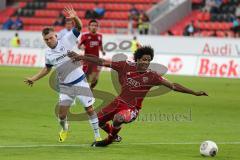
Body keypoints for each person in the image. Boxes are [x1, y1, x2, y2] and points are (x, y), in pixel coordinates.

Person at [67, 46, 208, 147]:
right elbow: (102, 62)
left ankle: (109, 140)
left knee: (119, 118)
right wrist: (81, 57)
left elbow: (173, 86)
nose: (146, 62)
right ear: (137, 59)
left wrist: (194, 92)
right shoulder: (124, 66)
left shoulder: (152, 76)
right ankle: (115, 135)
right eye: (144, 59)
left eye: (149, 60)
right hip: (118, 102)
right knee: (97, 121)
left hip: (132, 108)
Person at [24, 6, 102, 143]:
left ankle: (97, 136)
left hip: (80, 81)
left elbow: (79, 27)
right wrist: (33, 79)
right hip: (65, 86)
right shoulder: (48, 53)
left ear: (55, 36)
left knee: (89, 109)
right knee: (61, 115)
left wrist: (75, 17)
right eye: (46, 40)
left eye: (50, 38)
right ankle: (65, 128)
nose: (48, 41)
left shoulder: (66, 40)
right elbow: (47, 69)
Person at [78, 19, 105, 89]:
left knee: (95, 78)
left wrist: (102, 51)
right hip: (87, 60)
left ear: (97, 27)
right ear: (89, 27)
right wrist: (82, 47)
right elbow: (79, 46)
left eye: (96, 25)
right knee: (85, 78)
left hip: (96, 60)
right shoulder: (85, 36)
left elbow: (100, 45)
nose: (94, 27)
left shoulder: (100, 36)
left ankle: (90, 89)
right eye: (92, 25)